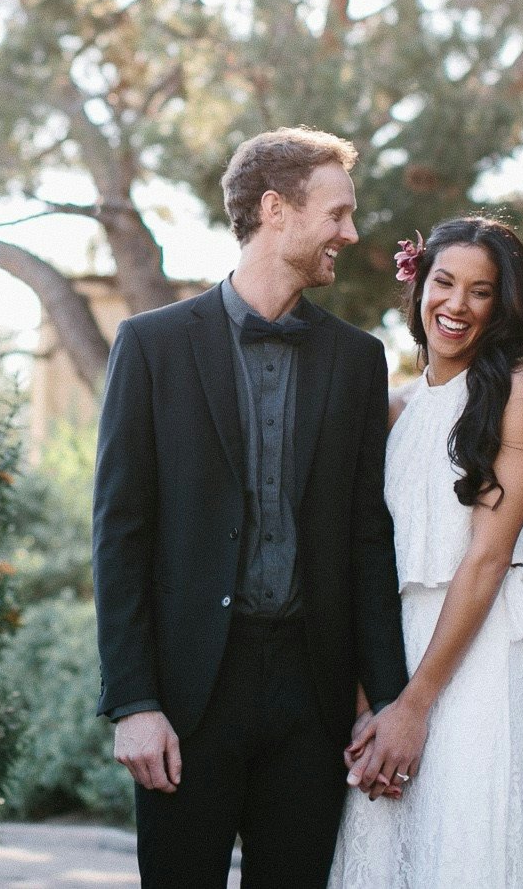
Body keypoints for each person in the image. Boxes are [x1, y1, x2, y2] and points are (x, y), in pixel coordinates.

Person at [92, 127, 408, 888]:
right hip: (188, 694)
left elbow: (368, 539)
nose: (351, 232)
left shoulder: (358, 359)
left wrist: (384, 699)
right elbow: (119, 535)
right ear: (276, 208)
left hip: (313, 693)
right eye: (337, 213)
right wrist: (133, 700)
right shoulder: (150, 344)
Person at [328, 216, 523, 887]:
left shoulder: (521, 393)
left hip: (471, 659)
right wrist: (374, 702)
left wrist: (415, 704)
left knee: (461, 848)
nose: (457, 304)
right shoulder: (394, 408)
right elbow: (371, 565)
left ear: (502, 305)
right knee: (379, 848)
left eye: (481, 291)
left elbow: (486, 560)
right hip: (389, 656)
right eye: (445, 282)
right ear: (418, 284)